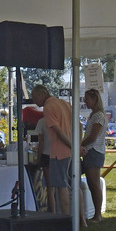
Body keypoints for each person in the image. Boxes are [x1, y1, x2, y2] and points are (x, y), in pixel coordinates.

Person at [30, 84, 73, 215]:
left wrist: (73, 146)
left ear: (41, 95)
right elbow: (77, 125)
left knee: (61, 187)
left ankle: (64, 219)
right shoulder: (64, 104)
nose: (34, 102)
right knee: (71, 186)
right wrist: (75, 145)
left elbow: (57, 131)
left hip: (58, 152)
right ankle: (78, 219)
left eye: (34, 98)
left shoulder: (48, 108)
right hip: (69, 151)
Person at [78, 88, 108, 221]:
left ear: (94, 99)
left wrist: (81, 144)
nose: (85, 101)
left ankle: (98, 214)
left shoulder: (99, 116)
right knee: (91, 183)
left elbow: (93, 136)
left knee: (94, 183)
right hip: (91, 151)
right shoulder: (93, 115)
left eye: (87, 99)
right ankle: (96, 213)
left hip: (94, 151)